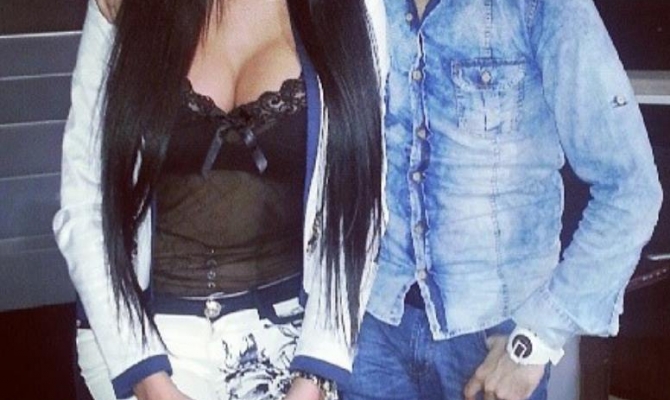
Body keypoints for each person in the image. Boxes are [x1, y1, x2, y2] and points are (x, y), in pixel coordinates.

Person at [53, 0, 386, 399]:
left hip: (291, 334)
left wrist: (313, 377)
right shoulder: (123, 7)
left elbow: (359, 212)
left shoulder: (355, 8)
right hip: (138, 330)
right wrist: (148, 380)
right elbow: (84, 199)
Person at [338, 1, 664, 400]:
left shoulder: (543, 7)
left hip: (492, 341)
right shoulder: (359, 9)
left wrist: (536, 340)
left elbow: (630, 186)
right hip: (370, 331)